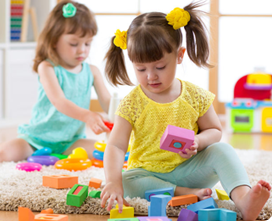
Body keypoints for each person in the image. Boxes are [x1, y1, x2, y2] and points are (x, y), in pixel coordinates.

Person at [100, 3, 271, 220]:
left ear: (179, 55)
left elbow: (215, 130)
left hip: (190, 171)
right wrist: (114, 183)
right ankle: (184, 194)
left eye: (159, 67)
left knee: (223, 151)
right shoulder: (132, 102)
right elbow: (115, 145)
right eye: (141, 69)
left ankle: (244, 199)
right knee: (124, 180)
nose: (151, 76)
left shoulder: (195, 96)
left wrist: (198, 142)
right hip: (148, 175)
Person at [0, 1, 111, 162]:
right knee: (0, 155)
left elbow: (108, 102)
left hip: (72, 142)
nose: (82, 49)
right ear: (54, 40)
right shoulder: (47, 67)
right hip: (37, 140)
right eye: (74, 44)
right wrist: (88, 115)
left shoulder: (92, 71)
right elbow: (60, 102)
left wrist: (128, 115)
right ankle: (0, 146)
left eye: (88, 43)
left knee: (108, 152)